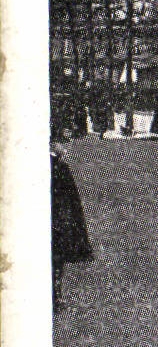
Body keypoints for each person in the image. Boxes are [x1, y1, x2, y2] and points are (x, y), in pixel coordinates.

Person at [51, 133, 93, 310]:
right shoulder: (60, 167)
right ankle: (56, 296)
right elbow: (71, 201)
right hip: (57, 220)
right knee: (56, 258)